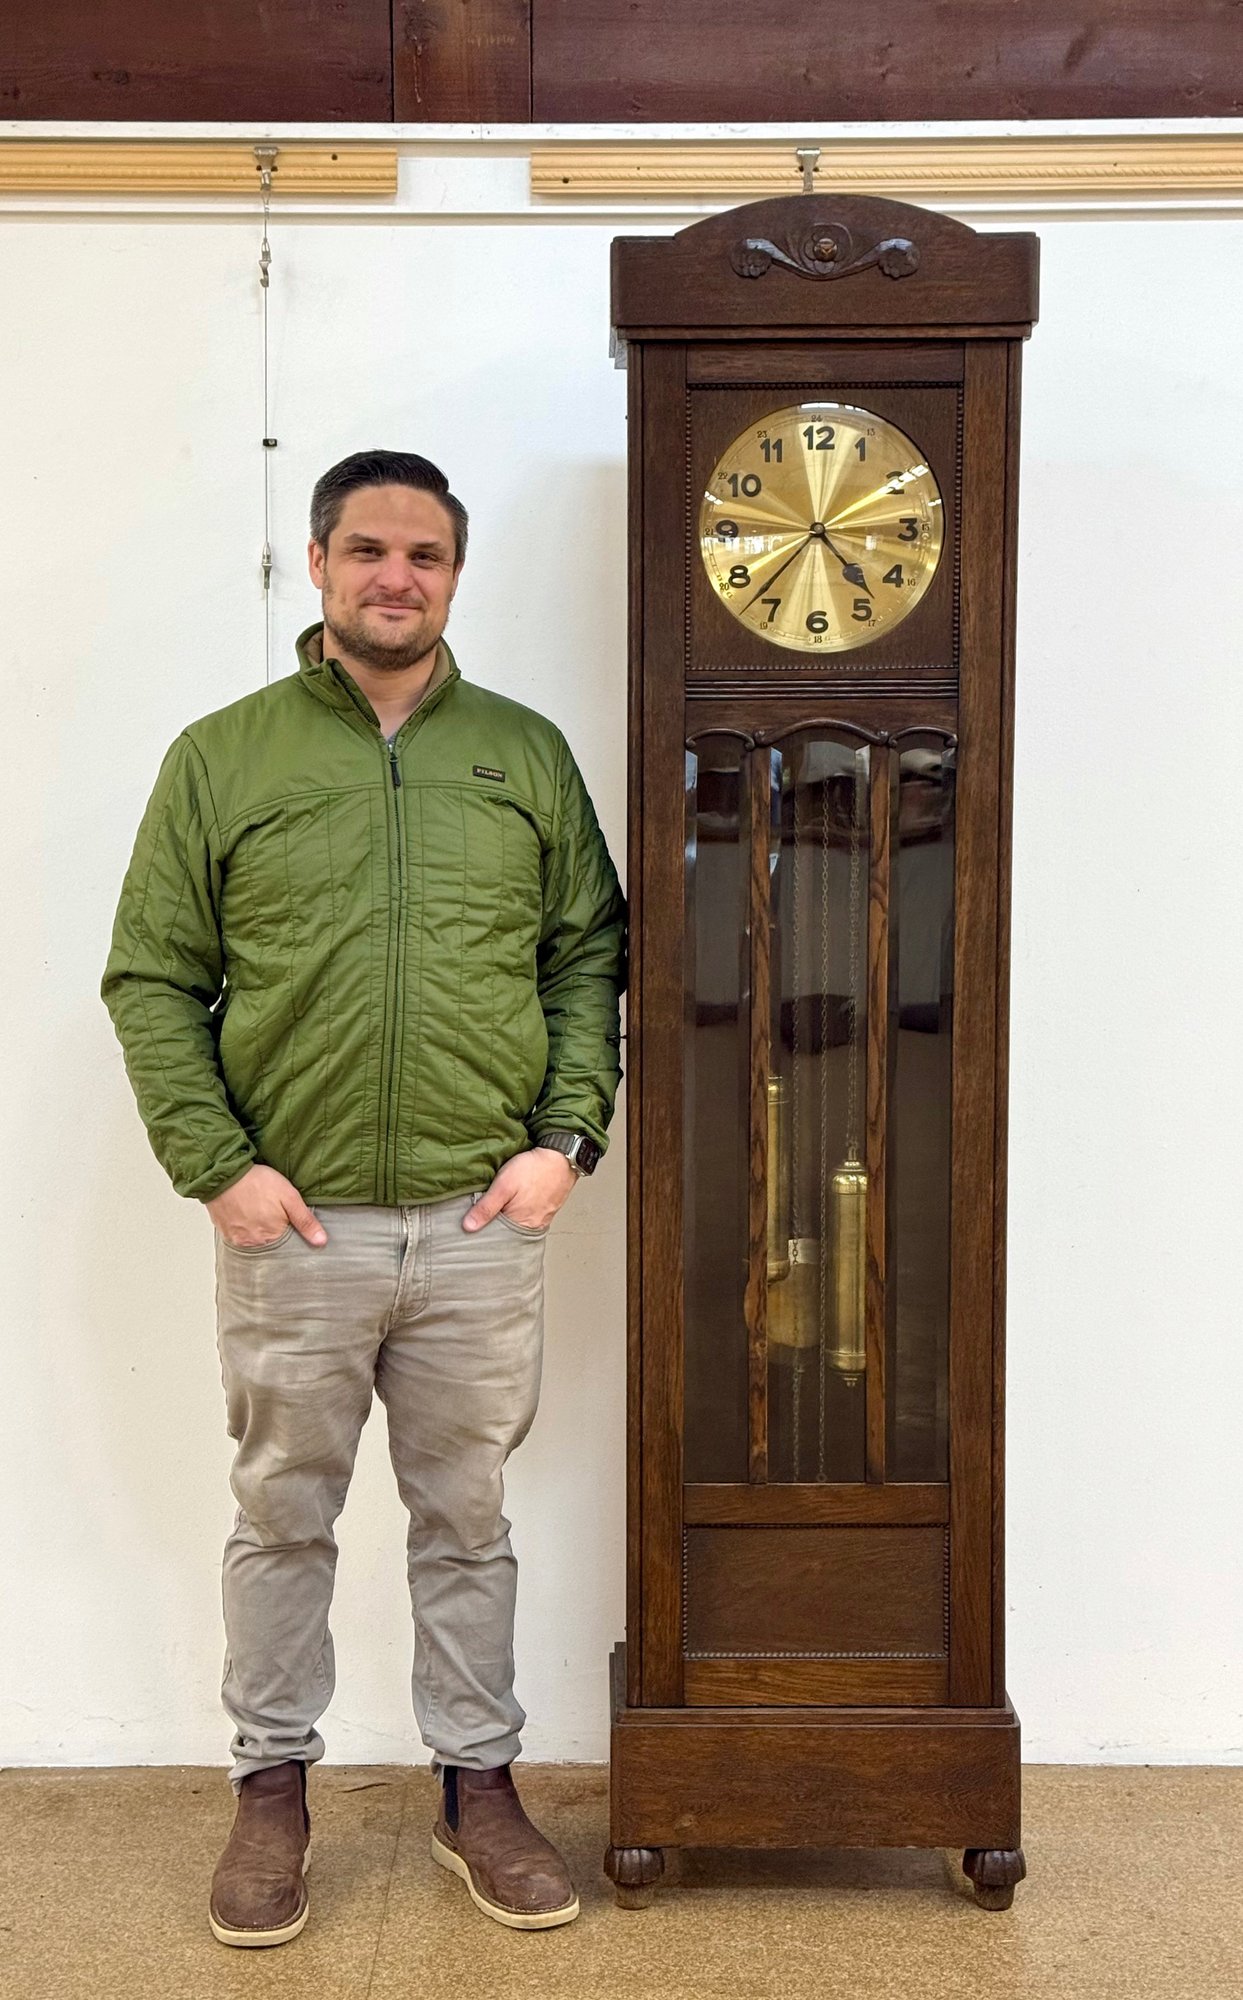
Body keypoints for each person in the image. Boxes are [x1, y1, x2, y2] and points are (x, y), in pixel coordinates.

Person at [100, 449, 626, 1944]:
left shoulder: (523, 754)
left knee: (469, 1521)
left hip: (479, 1224)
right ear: (320, 564)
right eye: (371, 550)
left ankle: (479, 1788)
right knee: (283, 1519)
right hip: (298, 1230)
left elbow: (588, 954)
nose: (398, 577)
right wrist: (219, 1168)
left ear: (455, 576)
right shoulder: (225, 756)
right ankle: (271, 1791)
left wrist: (564, 1141)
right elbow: (152, 977)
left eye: (427, 555)